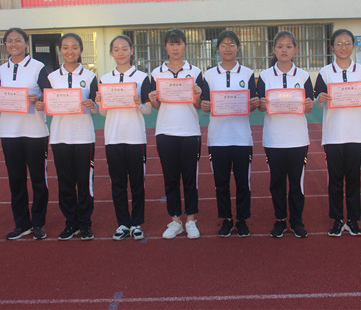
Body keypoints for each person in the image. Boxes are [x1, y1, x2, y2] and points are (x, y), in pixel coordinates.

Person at [37, 33, 98, 241]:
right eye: (65, 47)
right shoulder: (52, 77)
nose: (70, 51)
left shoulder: (89, 76)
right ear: (59, 50)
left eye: (74, 47)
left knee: (85, 183)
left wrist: (93, 105)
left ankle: (85, 224)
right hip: (60, 137)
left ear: (81, 50)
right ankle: (71, 223)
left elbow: (97, 107)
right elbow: (47, 104)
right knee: (65, 184)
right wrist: (42, 105)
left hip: (84, 137)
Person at [315, 29, 361, 237]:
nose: (343, 47)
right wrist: (320, 98)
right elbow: (317, 99)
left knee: (353, 179)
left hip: (355, 134)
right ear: (332, 47)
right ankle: (337, 219)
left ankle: (353, 220)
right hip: (333, 135)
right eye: (339, 43)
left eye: (347, 43)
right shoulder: (325, 72)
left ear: (353, 46)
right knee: (335, 179)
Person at [201, 30, 259, 237]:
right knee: (221, 183)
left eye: (231, 44)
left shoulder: (248, 74)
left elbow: (252, 104)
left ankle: (242, 219)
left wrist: (254, 104)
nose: (227, 48)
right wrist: (204, 105)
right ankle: (226, 219)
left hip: (242, 137)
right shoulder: (208, 75)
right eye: (223, 45)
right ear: (217, 48)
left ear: (238, 48)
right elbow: (204, 102)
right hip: (217, 138)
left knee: (243, 182)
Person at [257, 30, 314, 238]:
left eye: (288, 46)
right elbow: (260, 108)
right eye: (280, 46)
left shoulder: (303, 76)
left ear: (295, 49)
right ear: (274, 49)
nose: (284, 50)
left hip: (298, 138)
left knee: (297, 183)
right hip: (274, 139)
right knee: (277, 183)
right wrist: (261, 104)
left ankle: (297, 221)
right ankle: (280, 219)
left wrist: (309, 105)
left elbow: (309, 106)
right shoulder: (264, 77)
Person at [0, 28, 51, 240]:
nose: (14, 44)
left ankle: (38, 223)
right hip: (9, 132)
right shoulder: (1, 70)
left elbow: (48, 95)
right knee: (16, 180)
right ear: (5, 45)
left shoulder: (38, 67)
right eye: (9, 41)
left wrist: (39, 99)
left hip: (35, 131)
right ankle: (22, 224)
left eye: (18, 40)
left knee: (38, 179)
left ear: (26, 43)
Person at [148, 28, 204, 239]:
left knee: (190, 179)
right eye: (171, 44)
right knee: (170, 179)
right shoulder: (156, 73)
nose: (175, 48)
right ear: (165, 47)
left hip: (190, 131)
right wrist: (152, 99)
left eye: (178, 43)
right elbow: (156, 106)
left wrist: (197, 95)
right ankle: (175, 221)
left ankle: (191, 220)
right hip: (165, 131)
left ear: (185, 45)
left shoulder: (195, 71)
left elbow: (198, 105)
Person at [95, 35, 152, 241]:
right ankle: (122, 223)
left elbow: (148, 110)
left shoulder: (142, 77)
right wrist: (99, 102)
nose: (120, 52)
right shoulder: (105, 79)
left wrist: (138, 103)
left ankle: (136, 223)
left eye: (124, 48)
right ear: (111, 53)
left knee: (137, 183)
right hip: (113, 137)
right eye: (116, 49)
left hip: (135, 137)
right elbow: (103, 113)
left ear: (131, 51)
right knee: (117, 183)